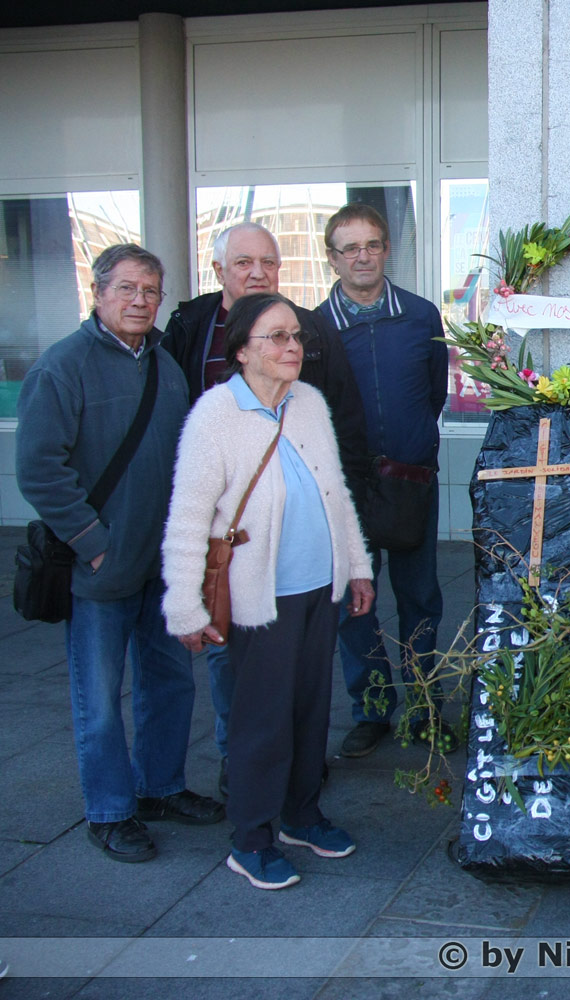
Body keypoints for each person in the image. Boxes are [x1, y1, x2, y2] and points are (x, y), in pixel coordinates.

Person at [17, 243, 224, 864]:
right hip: (101, 568)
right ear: (98, 293)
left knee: (170, 682)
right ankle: (109, 811)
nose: (140, 300)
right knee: (100, 698)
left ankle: (160, 787)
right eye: (127, 288)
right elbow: (39, 469)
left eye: (151, 290)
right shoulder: (62, 366)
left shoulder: (165, 364)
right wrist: (94, 545)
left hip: (165, 563)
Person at [162, 292, 374, 890]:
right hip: (260, 597)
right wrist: (184, 606)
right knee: (262, 720)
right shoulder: (215, 415)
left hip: (318, 587)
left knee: (310, 710)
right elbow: (187, 518)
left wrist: (357, 566)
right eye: (276, 336)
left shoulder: (308, 402)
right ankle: (251, 838)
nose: (292, 347)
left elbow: (336, 493)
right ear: (241, 350)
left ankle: (301, 816)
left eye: (296, 337)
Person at [314, 204, 449, 758]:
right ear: (333, 258)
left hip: (411, 479)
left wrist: (411, 446)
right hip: (346, 487)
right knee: (354, 601)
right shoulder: (315, 327)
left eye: (372, 245)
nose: (362, 256)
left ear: (387, 249)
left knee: (420, 596)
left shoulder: (420, 315)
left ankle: (423, 705)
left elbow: (433, 393)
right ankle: (371, 708)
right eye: (350, 248)